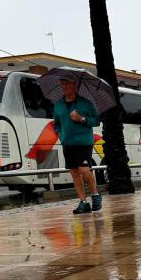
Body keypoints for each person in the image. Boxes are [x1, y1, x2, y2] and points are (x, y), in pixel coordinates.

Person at [54, 78, 102, 214]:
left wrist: (81, 118)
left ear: (75, 85)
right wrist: (59, 134)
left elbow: (96, 121)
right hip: (67, 142)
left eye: (67, 83)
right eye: (62, 84)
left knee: (84, 170)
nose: (64, 86)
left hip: (83, 142)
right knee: (74, 172)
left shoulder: (85, 104)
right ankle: (83, 202)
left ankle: (96, 195)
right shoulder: (58, 105)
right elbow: (56, 122)